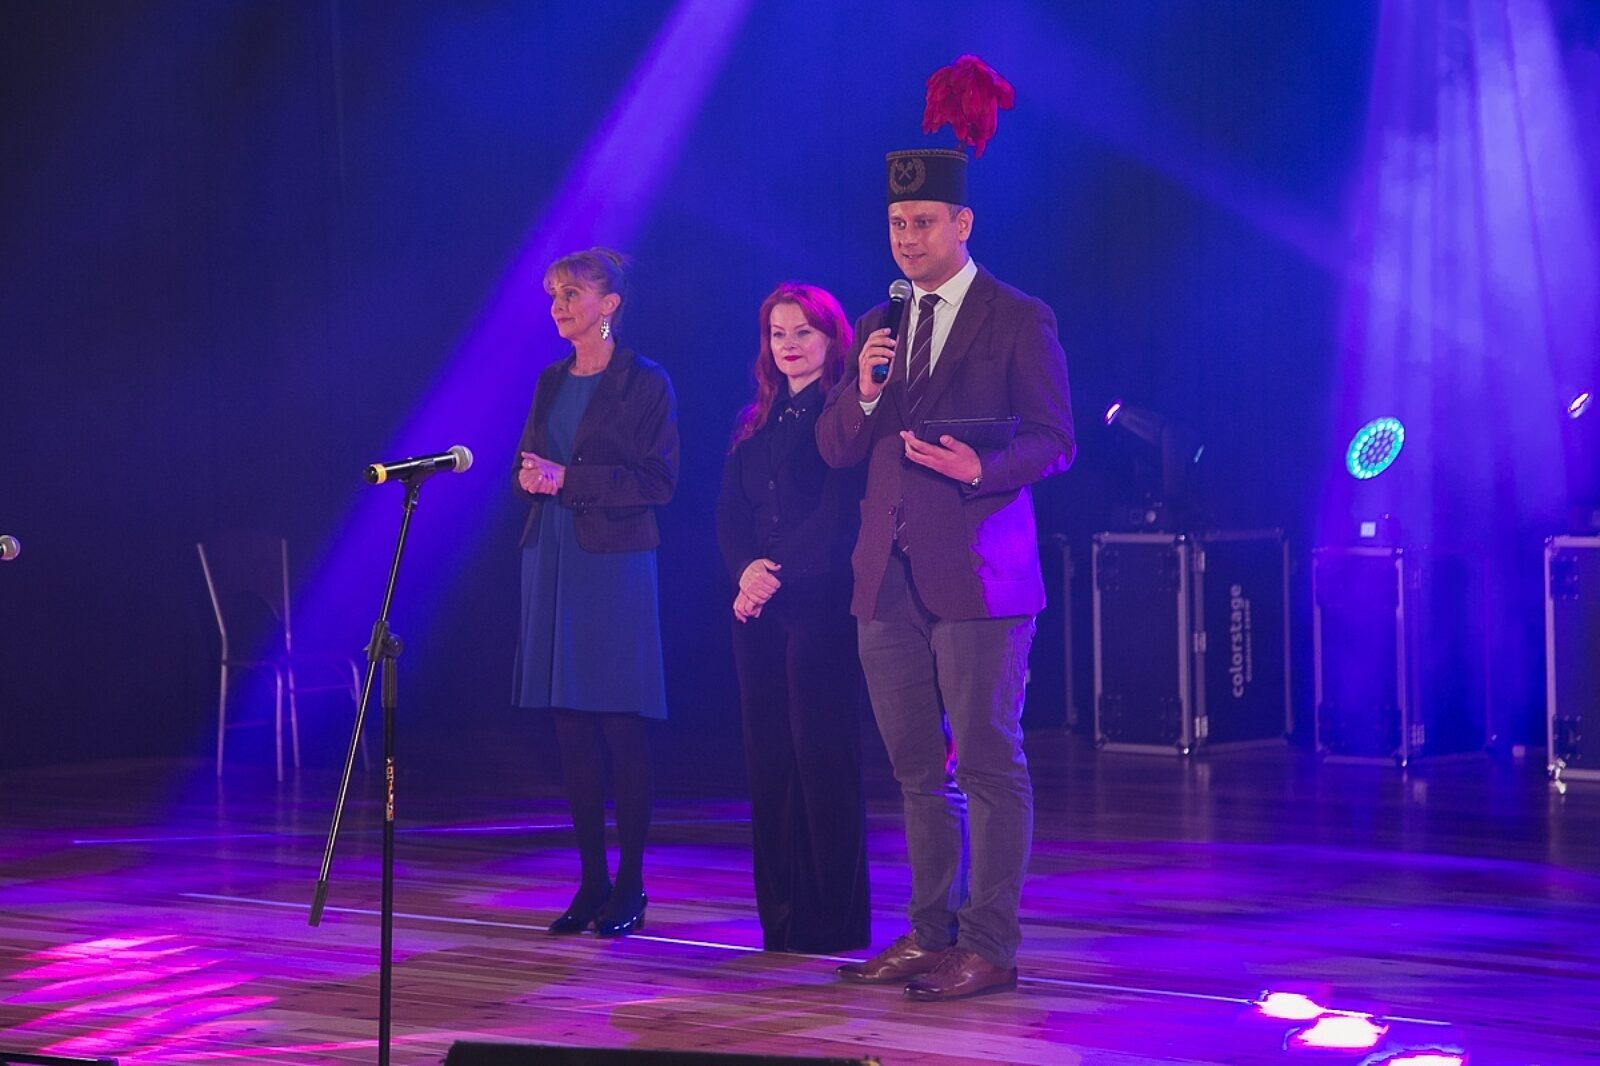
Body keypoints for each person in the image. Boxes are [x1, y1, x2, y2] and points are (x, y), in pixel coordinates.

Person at [817, 145, 1075, 1000]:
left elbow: (1056, 439)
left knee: (988, 766)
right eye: (897, 223)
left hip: (978, 576)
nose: (907, 237)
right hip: (885, 579)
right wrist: (862, 390)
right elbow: (836, 447)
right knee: (915, 771)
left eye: (923, 222)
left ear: (962, 223)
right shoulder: (878, 322)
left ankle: (990, 945)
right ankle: (930, 933)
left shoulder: (1017, 317)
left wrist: (980, 469)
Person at [512, 247, 679, 939]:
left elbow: (658, 481)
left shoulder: (645, 381)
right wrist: (531, 478)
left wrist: (567, 481)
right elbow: (533, 458)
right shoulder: (551, 378)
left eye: (572, 293)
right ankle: (591, 882)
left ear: (609, 304)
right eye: (553, 294)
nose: (558, 305)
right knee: (570, 723)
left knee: (619, 721)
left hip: (613, 562)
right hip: (552, 553)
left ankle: (631, 884)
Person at [716, 282, 870, 954]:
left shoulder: (844, 416)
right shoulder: (754, 420)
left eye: (803, 332)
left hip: (819, 604)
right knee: (769, 762)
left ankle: (833, 922)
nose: (789, 345)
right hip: (756, 611)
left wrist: (769, 575)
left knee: (822, 758)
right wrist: (744, 572)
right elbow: (729, 514)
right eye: (778, 334)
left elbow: (837, 516)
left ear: (832, 340)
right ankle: (780, 920)